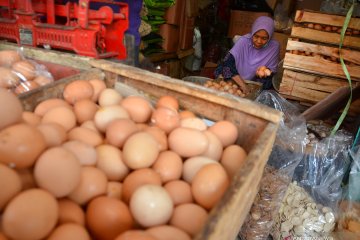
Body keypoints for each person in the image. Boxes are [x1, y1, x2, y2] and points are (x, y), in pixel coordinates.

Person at [214, 16, 280, 93]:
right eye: (256, 36)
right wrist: (243, 86)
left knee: (268, 83)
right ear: (253, 32)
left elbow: (272, 70)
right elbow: (228, 63)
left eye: (264, 38)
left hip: (254, 81)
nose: (259, 41)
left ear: (270, 37)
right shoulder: (244, 41)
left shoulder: (274, 46)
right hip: (235, 77)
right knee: (224, 71)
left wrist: (264, 72)